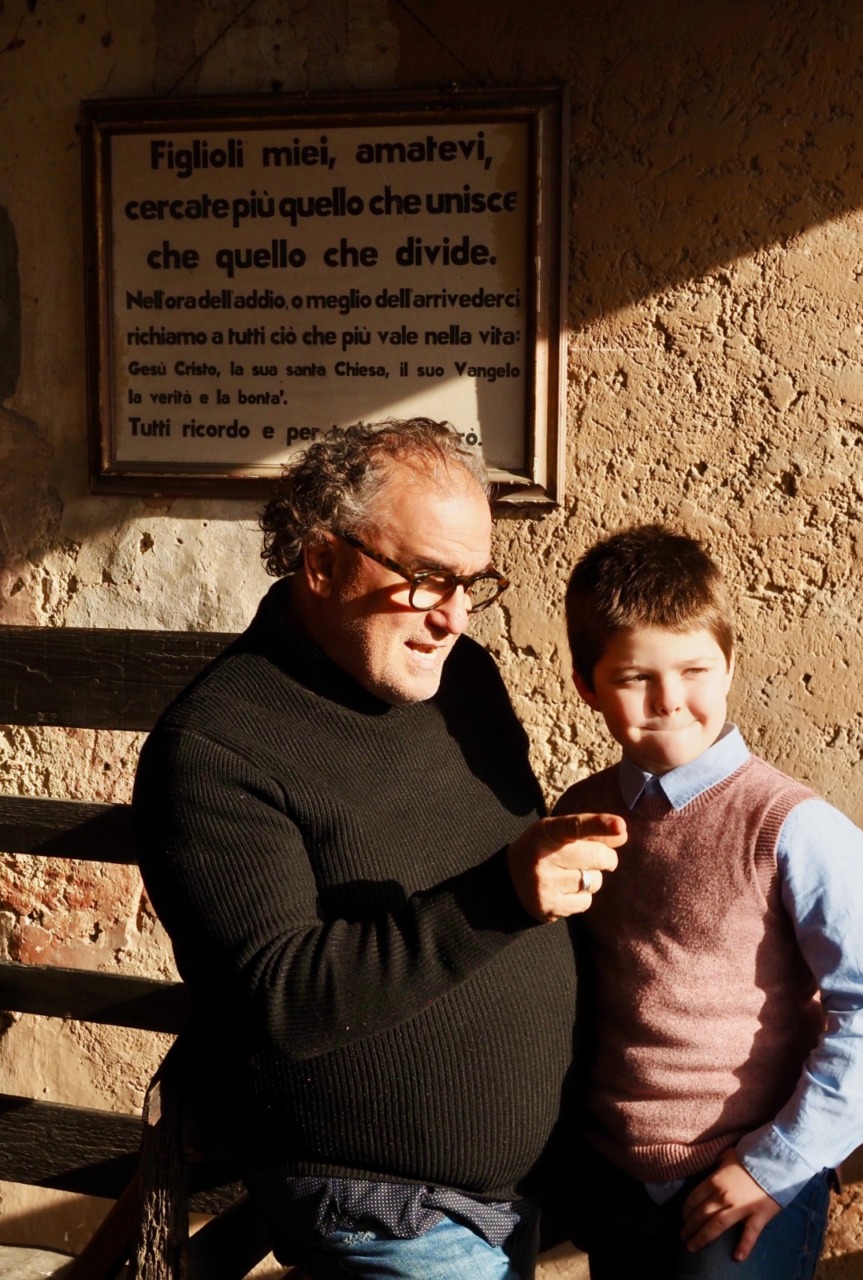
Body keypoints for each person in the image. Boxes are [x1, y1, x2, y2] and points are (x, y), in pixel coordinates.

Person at [133, 417, 624, 1280]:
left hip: (534, 1189)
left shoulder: (464, 680)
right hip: (389, 1210)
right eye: (428, 578)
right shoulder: (215, 749)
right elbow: (284, 1000)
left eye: (473, 583)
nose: (453, 617)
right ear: (322, 563)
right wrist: (503, 896)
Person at [555, 523, 863, 1280]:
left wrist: (772, 1165)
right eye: (634, 677)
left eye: (695, 670)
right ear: (587, 685)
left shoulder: (793, 827)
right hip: (614, 1180)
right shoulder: (580, 812)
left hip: (741, 1178)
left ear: (729, 667)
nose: (670, 701)